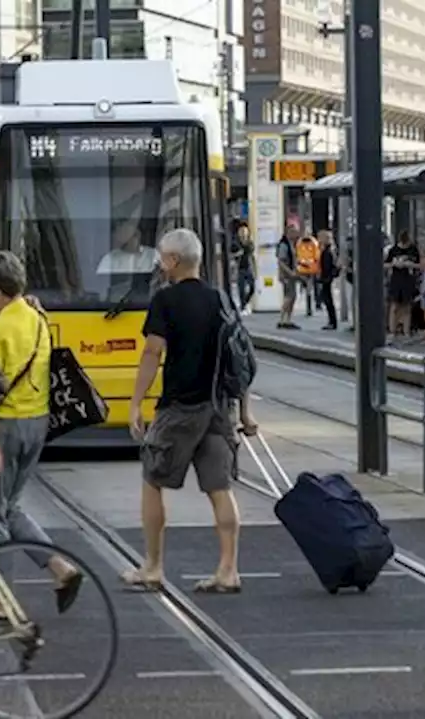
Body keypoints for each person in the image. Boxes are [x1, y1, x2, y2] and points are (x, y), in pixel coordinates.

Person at [123, 228, 258, 594]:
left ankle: (152, 566)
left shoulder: (165, 301)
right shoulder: (221, 299)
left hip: (180, 407)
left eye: (162, 259)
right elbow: (240, 359)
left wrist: (136, 402)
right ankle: (228, 569)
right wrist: (244, 413)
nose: (160, 265)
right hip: (218, 407)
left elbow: (152, 353)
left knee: (153, 480)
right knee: (220, 487)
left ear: (172, 261)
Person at [0, 251, 82, 619]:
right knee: (9, 506)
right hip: (37, 422)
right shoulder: (36, 317)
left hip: (5, 427)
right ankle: (60, 568)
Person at [384, 231, 420, 338]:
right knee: (394, 305)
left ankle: (406, 331)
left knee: (407, 306)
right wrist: (393, 264)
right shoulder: (393, 250)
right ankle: (392, 330)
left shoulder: (413, 250)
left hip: (408, 280)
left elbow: (419, 265)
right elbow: (385, 264)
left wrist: (410, 264)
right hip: (396, 279)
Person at [275, 223, 300, 329]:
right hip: (287, 274)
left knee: (292, 296)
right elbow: (281, 261)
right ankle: (282, 319)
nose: (296, 234)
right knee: (289, 296)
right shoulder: (284, 245)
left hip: (291, 273)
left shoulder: (292, 243)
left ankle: (288, 319)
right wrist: (289, 272)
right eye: (293, 232)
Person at [316, 230, 340, 330]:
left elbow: (326, 266)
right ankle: (331, 321)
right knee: (327, 300)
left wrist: (323, 278)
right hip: (327, 278)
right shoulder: (329, 250)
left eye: (320, 238)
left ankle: (332, 322)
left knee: (328, 300)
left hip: (327, 278)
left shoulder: (327, 252)